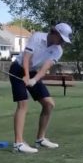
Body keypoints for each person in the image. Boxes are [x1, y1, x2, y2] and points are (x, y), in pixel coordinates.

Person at [9, 22, 72, 153]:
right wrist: (26, 76)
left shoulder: (58, 50)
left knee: (49, 104)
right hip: (18, 68)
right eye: (60, 38)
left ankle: (40, 139)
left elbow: (44, 68)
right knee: (23, 104)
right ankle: (18, 143)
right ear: (54, 32)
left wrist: (34, 80)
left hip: (33, 72)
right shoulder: (37, 37)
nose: (61, 42)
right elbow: (26, 58)